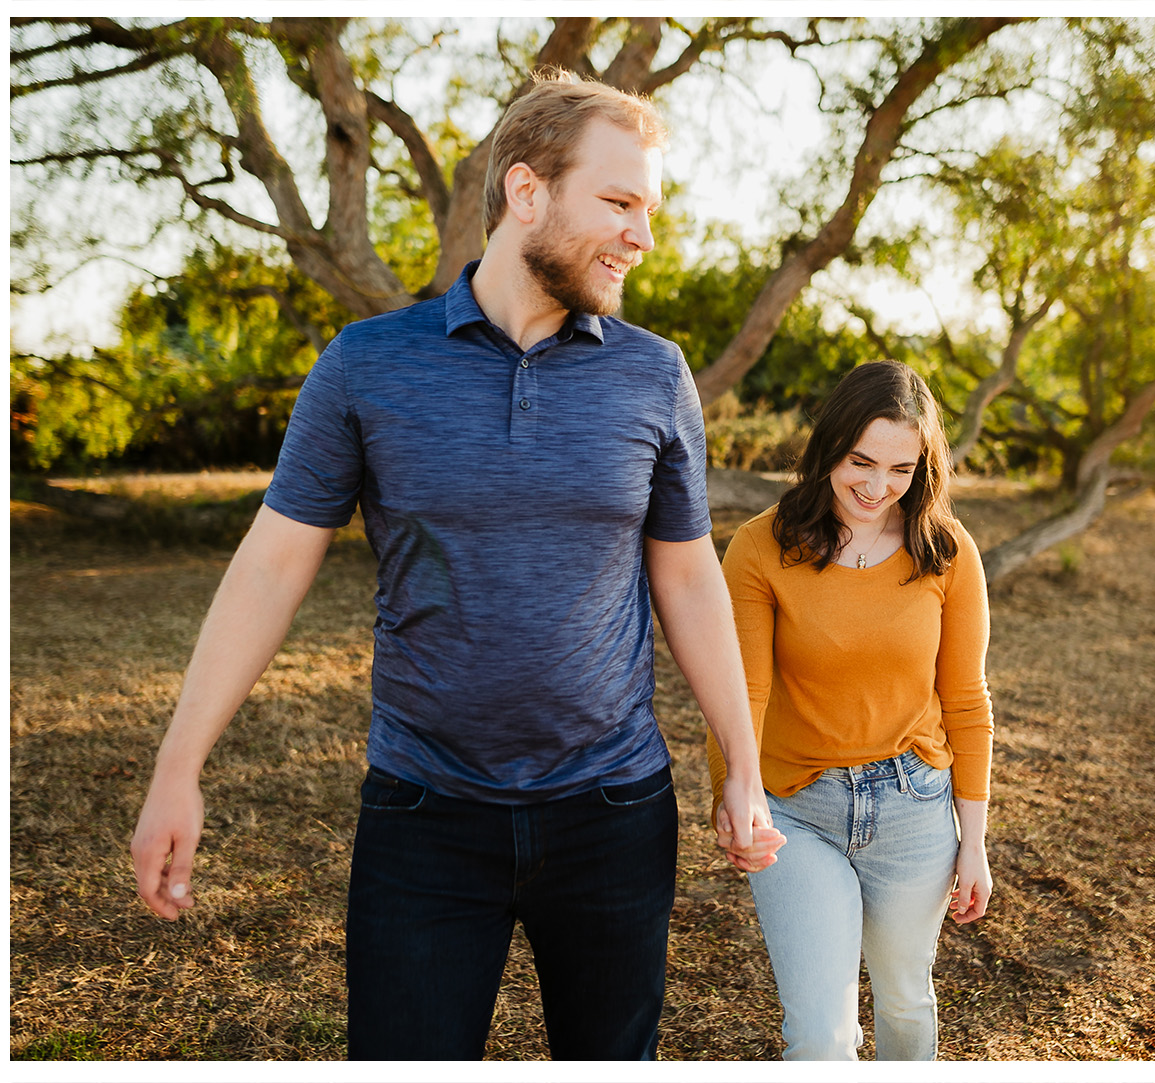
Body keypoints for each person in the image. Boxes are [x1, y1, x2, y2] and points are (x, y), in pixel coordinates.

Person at [126, 70, 784, 1060]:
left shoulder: (653, 374)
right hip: (423, 813)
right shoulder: (367, 366)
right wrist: (178, 769)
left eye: (647, 208)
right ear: (527, 194)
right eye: (618, 202)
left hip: (613, 810)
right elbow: (270, 568)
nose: (642, 237)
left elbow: (686, 575)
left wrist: (741, 766)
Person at [711, 359, 995, 1061]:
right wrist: (734, 793)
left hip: (913, 806)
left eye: (900, 469)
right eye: (860, 461)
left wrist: (975, 839)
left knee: (905, 1000)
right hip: (798, 809)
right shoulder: (760, 546)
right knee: (821, 1037)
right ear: (829, 446)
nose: (877, 486)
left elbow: (966, 700)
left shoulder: (947, 551)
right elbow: (739, 692)